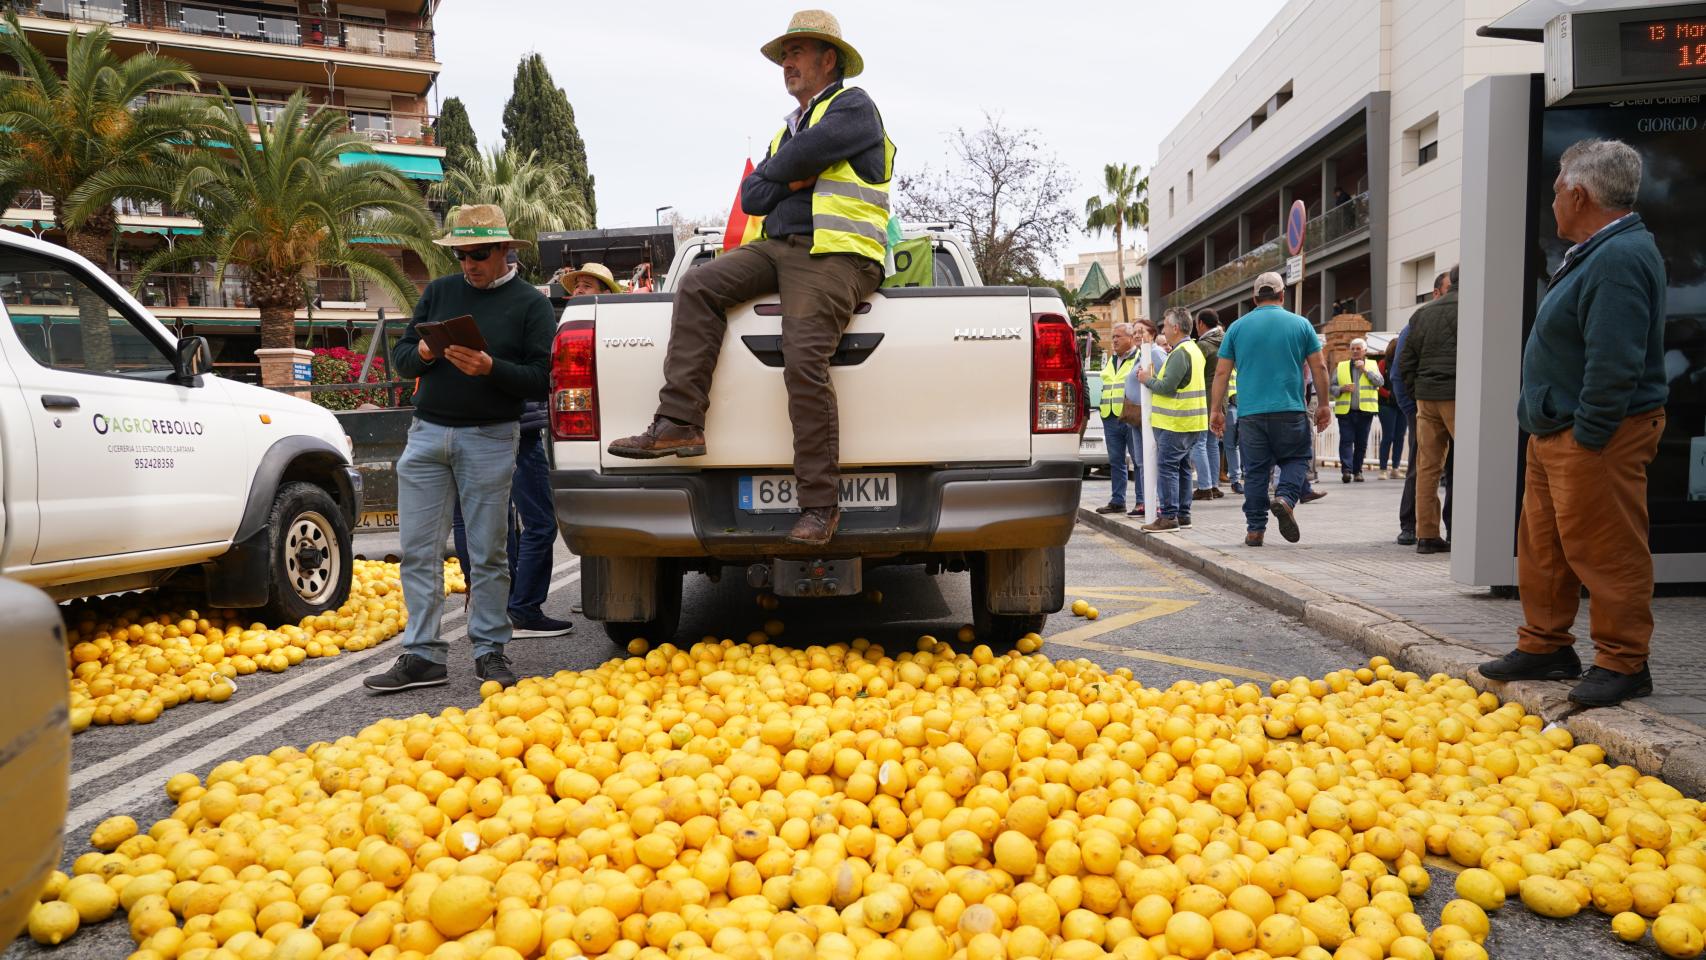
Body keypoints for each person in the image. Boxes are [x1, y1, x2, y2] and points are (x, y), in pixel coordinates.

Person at [606, 10, 893, 549]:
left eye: (796, 52)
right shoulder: (789, 128)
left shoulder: (854, 107)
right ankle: (679, 423)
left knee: (802, 354)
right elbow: (753, 196)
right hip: (779, 248)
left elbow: (787, 169)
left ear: (827, 59)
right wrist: (791, 172)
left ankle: (819, 504)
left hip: (836, 253)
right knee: (697, 286)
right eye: (784, 55)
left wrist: (783, 169)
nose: (786, 63)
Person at [1479, 138, 1669, 708]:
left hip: (1596, 435)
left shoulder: (1618, 258)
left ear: (1580, 193)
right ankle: (1545, 645)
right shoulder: (1598, 251)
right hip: (1557, 432)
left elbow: (1615, 361)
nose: (1554, 201)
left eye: (1558, 190)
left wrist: (1589, 433)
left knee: (1605, 549)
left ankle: (1623, 661)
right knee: (1545, 548)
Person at [366, 205, 553, 693]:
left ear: (505, 250)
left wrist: (490, 367)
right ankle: (423, 655)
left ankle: (490, 650)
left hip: (491, 435)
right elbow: (403, 358)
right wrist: (426, 352)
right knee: (418, 552)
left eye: (479, 253)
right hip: (427, 432)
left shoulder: (531, 304)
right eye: (461, 254)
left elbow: (541, 378)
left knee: (489, 551)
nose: (469, 263)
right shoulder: (440, 292)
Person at [1209, 273, 1331, 547]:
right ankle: (1286, 499)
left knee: (1255, 471)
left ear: (1254, 298)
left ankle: (1255, 530)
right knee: (1297, 459)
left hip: (1250, 414)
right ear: (1282, 295)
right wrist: (1323, 404)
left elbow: (1221, 373)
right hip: (1290, 410)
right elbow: (1319, 367)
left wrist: (1216, 410)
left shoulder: (1237, 328)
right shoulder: (1301, 324)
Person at [1399, 264, 1460, 554]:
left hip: (1426, 399)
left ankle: (1426, 534)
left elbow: (1405, 362)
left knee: (1427, 467)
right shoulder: (1473, 308)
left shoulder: (1422, 313)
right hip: (1459, 395)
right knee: (1470, 466)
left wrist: (1418, 392)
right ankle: (1466, 531)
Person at [1136, 308, 1208, 532]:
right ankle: (1183, 514)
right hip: (1191, 421)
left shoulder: (1180, 353)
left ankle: (1168, 517)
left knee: (1167, 467)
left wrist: (1147, 379)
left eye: (1165, 326)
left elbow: (1167, 387)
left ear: (1176, 328)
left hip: (1175, 422)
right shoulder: (1193, 349)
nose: (1163, 330)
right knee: (1183, 467)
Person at [1093, 323, 1144, 518]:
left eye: (1118, 337)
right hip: (1110, 416)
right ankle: (1117, 501)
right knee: (1116, 461)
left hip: (1130, 417)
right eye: (1113, 336)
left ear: (1130, 339)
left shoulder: (1140, 357)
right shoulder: (1111, 360)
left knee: (1138, 460)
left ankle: (1142, 501)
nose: (1114, 340)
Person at [1330, 337, 1382, 483]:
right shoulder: (1341, 366)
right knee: (1346, 441)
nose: (1355, 351)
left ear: (1364, 351)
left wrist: (1364, 370)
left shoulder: (1372, 365)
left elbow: (1380, 382)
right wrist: (1341, 388)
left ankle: (1357, 471)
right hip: (1346, 412)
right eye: (1352, 348)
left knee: (1361, 442)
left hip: (1365, 412)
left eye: (1358, 349)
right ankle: (1346, 471)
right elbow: (1331, 388)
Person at [1189, 308, 1225, 500]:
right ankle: (1214, 485)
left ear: (1201, 324)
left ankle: (1204, 486)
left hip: (1205, 399)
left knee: (1199, 442)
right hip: (1221, 398)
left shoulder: (1203, 346)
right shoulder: (1224, 341)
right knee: (1212, 444)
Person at [1374, 344, 1405, 480]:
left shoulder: (1405, 362)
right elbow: (1377, 384)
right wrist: (1388, 394)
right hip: (1387, 405)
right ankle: (1382, 469)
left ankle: (1395, 468)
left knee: (1400, 436)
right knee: (1388, 436)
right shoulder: (1383, 363)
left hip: (1402, 405)